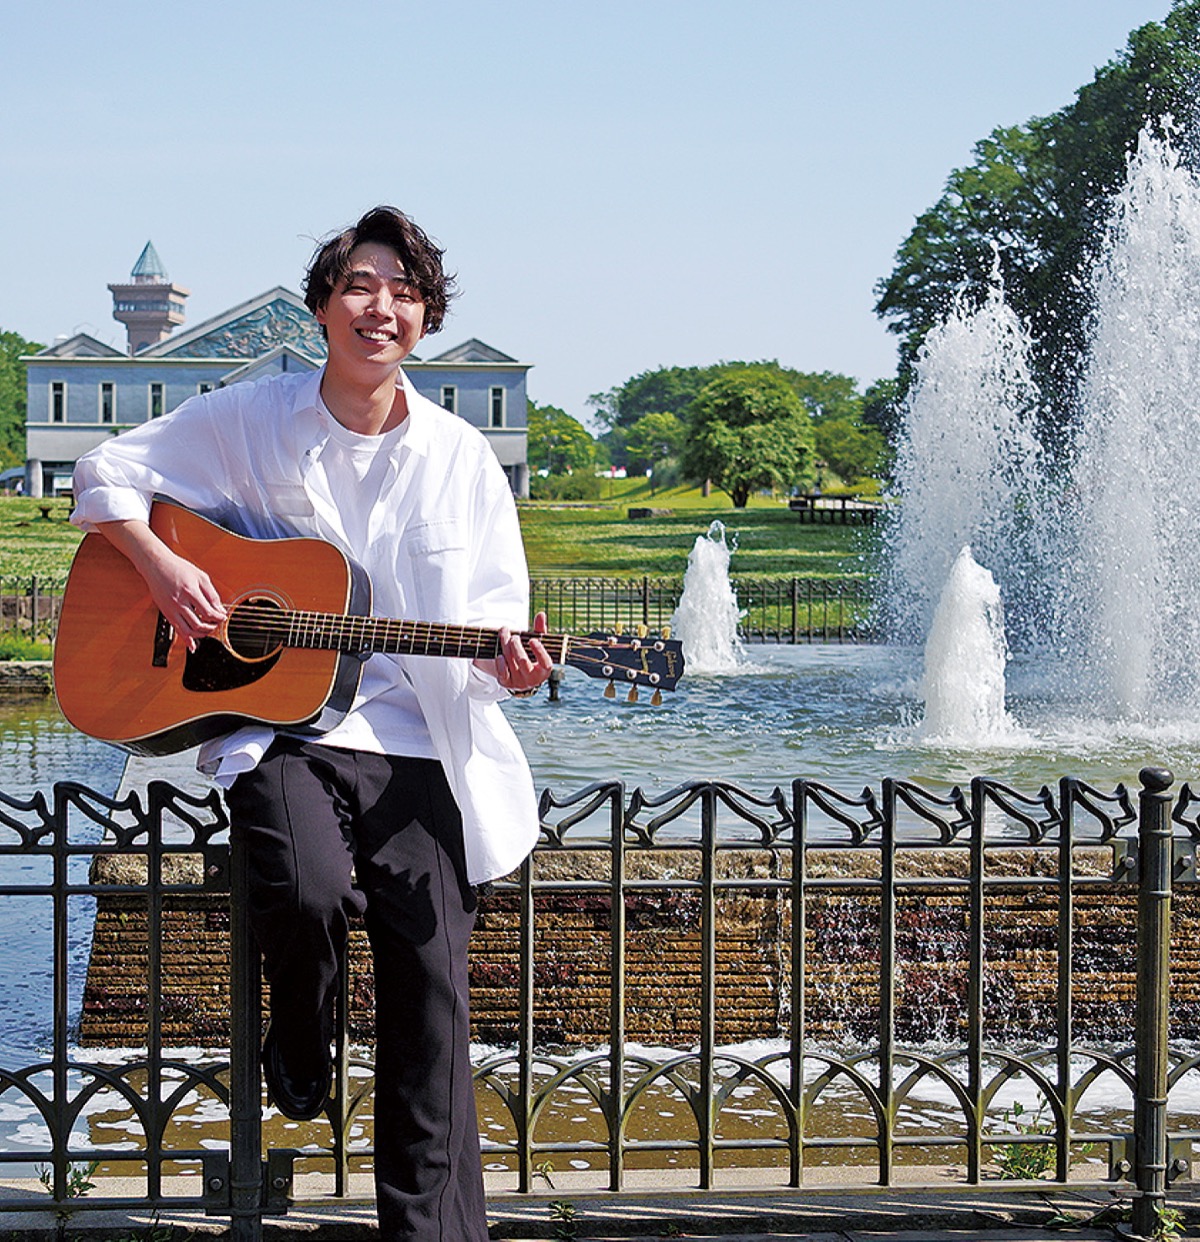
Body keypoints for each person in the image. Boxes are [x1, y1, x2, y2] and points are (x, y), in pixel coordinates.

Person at [71, 206, 552, 1241]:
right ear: (324, 306)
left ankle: (434, 1232)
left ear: (424, 320)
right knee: (306, 884)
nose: (382, 307)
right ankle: (301, 1039)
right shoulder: (247, 417)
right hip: (285, 732)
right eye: (361, 286)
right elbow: (103, 473)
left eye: (405, 293)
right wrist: (165, 569)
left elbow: (497, 619)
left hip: (420, 738)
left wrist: (511, 668)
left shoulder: (462, 457)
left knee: (433, 992)